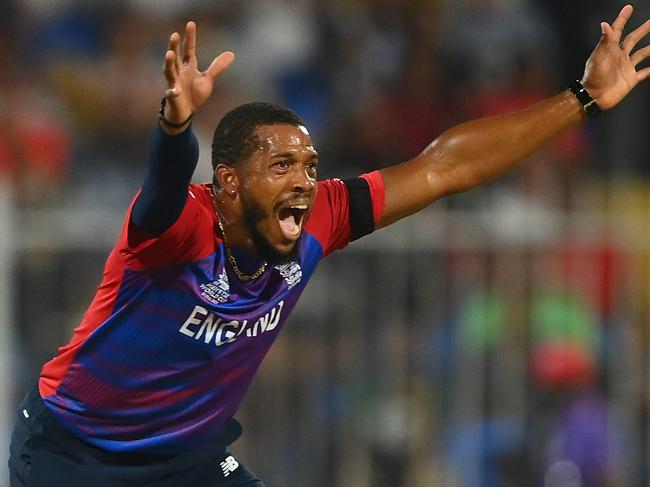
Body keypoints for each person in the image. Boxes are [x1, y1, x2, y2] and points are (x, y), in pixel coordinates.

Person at [8, 5, 650, 486]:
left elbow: (442, 168)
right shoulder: (176, 227)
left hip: (191, 457)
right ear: (227, 182)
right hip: (74, 452)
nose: (306, 181)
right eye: (282, 165)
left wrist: (582, 99)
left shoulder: (320, 215)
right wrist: (176, 122)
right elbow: (165, 176)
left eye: (310, 165)